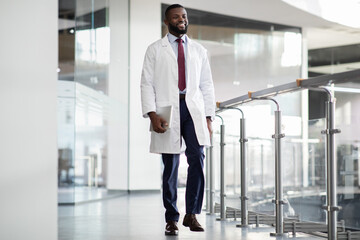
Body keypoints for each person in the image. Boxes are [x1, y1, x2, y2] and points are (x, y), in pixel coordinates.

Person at [140, 4, 215, 236]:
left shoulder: (199, 50)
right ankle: (171, 217)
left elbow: (207, 85)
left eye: (183, 16)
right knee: (170, 165)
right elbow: (146, 83)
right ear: (167, 22)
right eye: (176, 17)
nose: (181, 20)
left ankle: (191, 213)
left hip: (193, 108)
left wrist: (209, 117)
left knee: (197, 157)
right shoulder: (155, 49)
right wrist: (152, 114)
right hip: (166, 108)